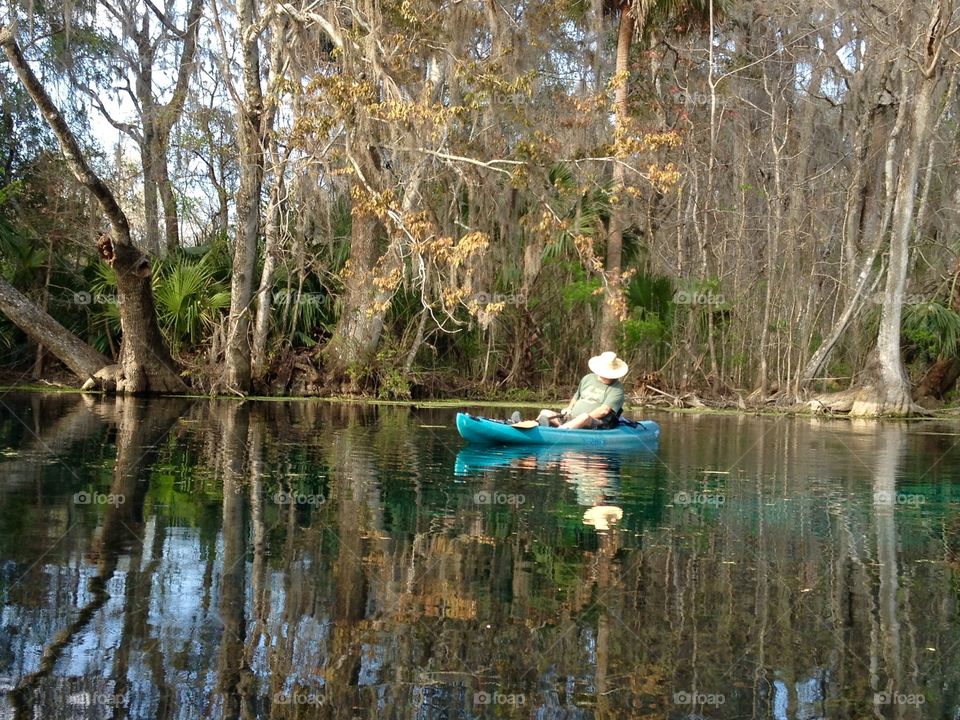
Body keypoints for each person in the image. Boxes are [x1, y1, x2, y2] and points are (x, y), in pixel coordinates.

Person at [537, 351, 628, 430]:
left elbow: (604, 410)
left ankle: (561, 431)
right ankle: (537, 427)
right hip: (571, 418)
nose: (606, 376)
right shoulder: (587, 378)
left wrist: (580, 419)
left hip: (595, 422)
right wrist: (569, 408)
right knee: (544, 412)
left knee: (584, 417)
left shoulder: (617, 389)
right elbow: (576, 397)